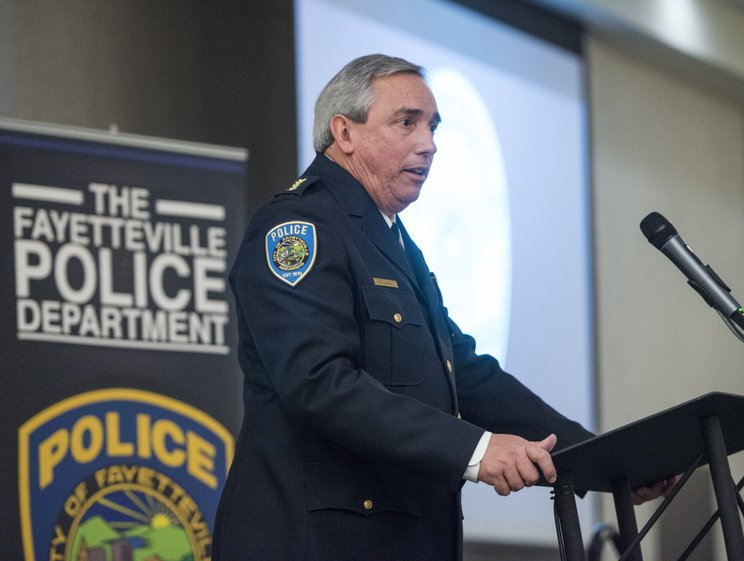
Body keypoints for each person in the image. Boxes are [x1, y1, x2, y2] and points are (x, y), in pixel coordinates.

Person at [211, 54, 666, 561]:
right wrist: (475, 451)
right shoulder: (299, 228)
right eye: (406, 123)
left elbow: (466, 375)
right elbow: (318, 383)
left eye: (432, 127)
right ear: (344, 133)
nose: (428, 144)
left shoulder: (393, 242)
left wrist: (600, 460)